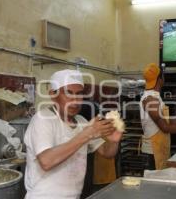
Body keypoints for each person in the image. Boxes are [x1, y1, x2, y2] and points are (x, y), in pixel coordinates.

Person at [24, 69, 122, 199]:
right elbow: (46, 161)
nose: (75, 100)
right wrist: (87, 134)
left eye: (79, 94)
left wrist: (113, 140)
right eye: (68, 93)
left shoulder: (82, 122)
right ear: (53, 94)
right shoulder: (43, 119)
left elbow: (107, 153)